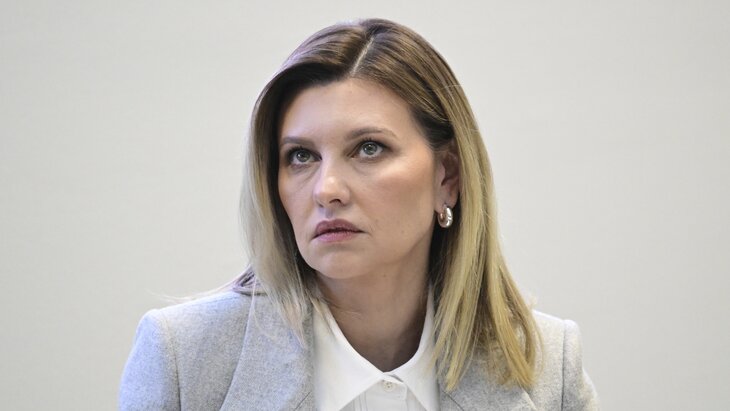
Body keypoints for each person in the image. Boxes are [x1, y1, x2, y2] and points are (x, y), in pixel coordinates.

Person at [119, 18, 598, 410]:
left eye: (368, 148)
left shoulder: (548, 368)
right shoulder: (184, 359)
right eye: (301, 156)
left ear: (447, 176)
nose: (326, 190)